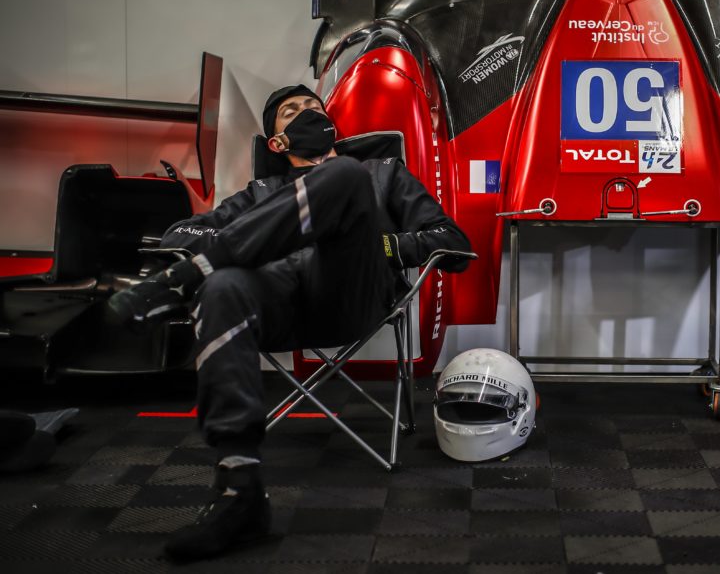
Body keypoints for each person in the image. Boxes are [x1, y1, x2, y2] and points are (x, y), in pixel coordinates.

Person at [106, 84, 472, 562]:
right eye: (291, 112)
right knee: (223, 288)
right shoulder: (262, 192)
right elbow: (182, 232)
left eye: (313, 107)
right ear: (276, 143)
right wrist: (253, 239)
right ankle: (238, 489)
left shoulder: (380, 172)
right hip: (280, 303)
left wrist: (383, 245)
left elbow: (452, 242)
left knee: (343, 175)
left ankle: (179, 281)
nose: (306, 113)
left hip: (350, 297)